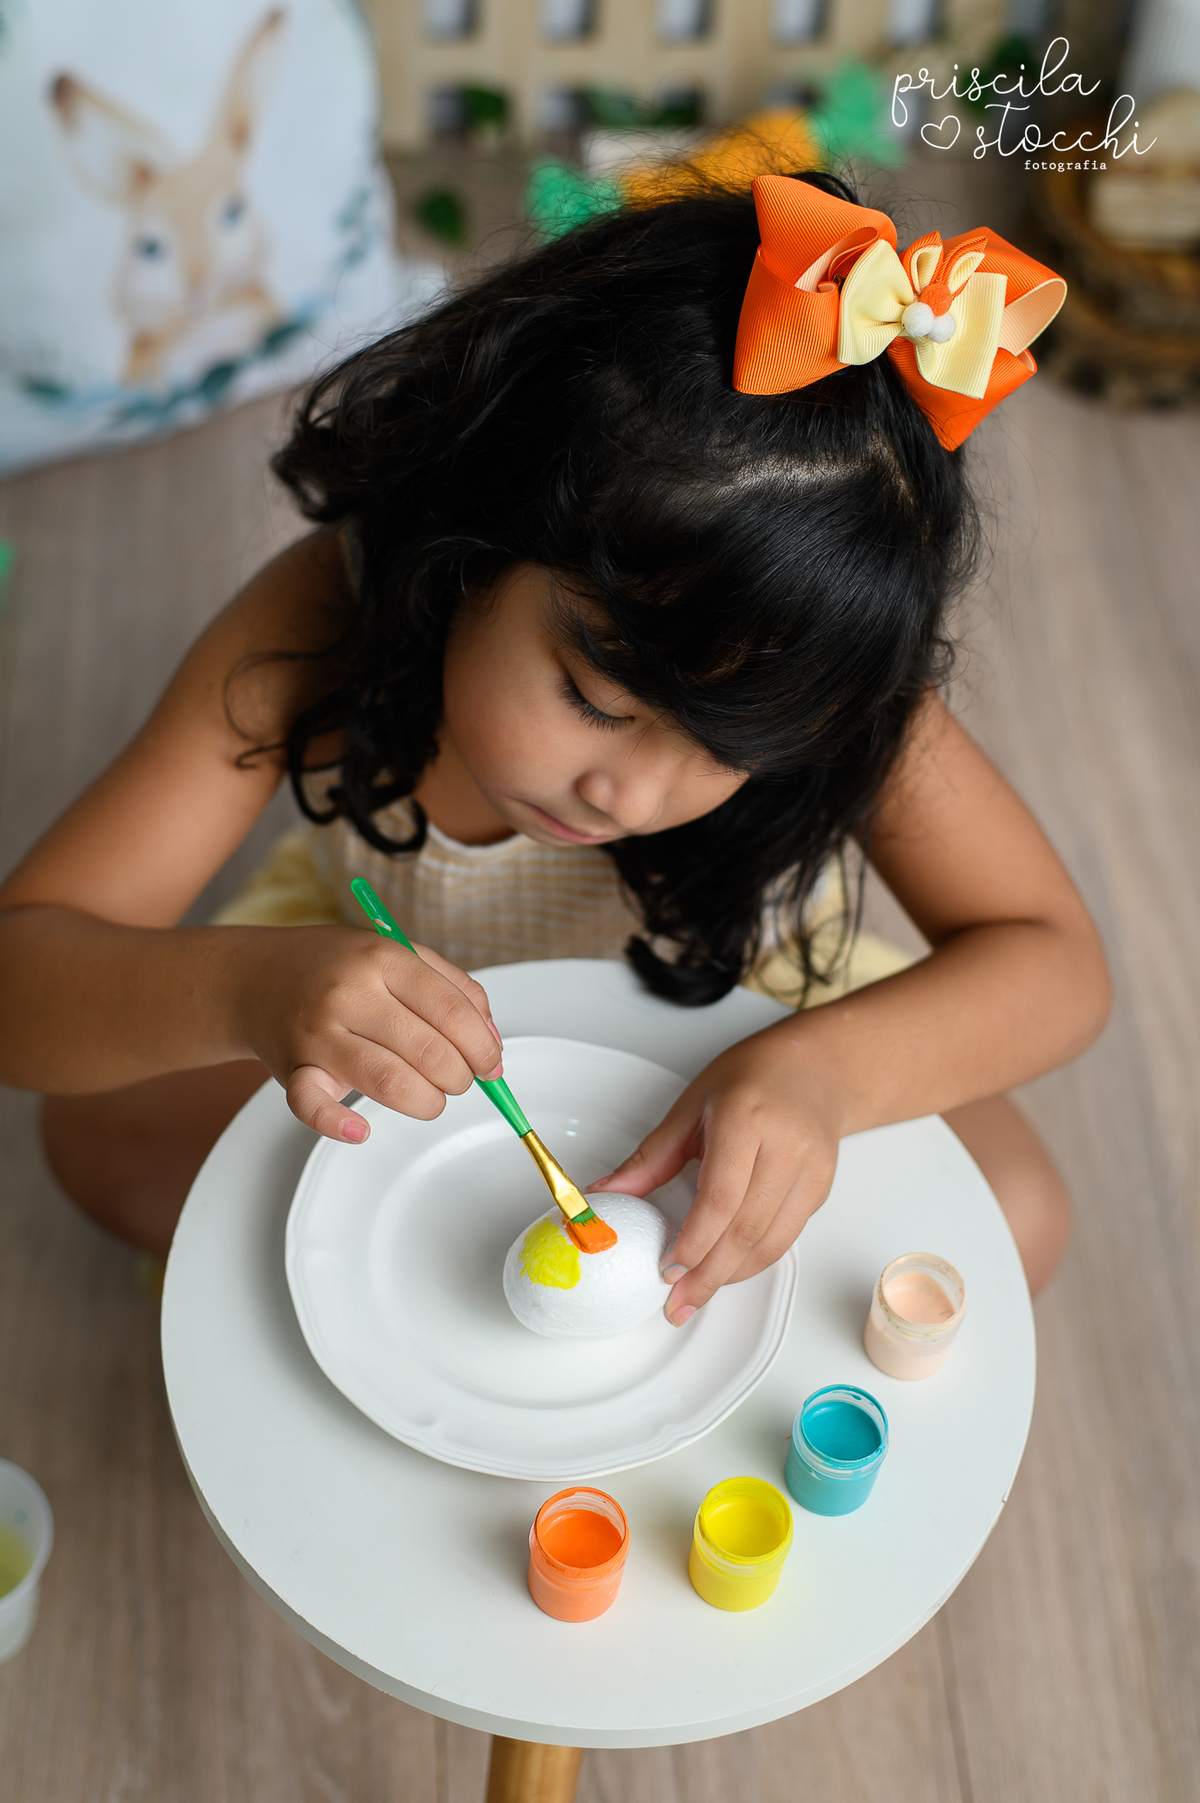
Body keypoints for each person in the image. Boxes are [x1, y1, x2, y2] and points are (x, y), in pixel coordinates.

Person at [0, 172, 1109, 1318]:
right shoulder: (331, 617)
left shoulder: (815, 671)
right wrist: (251, 990)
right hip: (402, 1030)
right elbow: (22, 977)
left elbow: (1055, 962)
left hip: (733, 1023)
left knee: (1016, 1213)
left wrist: (822, 1076)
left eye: (726, 748)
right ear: (472, 540)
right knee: (98, 1138)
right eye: (593, 697)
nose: (627, 792)